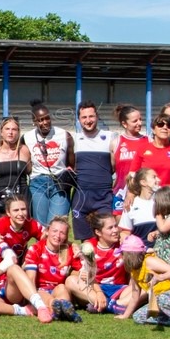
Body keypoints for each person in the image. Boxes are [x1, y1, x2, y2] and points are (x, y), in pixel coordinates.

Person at [23, 101, 75, 226]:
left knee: (57, 225)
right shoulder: (26, 137)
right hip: (37, 184)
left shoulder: (64, 135)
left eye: (47, 118)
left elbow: (72, 163)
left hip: (60, 184)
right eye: (40, 120)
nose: (45, 122)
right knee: (40, 227)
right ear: (34, 122)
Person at [25, 214, 83, 322]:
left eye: (62, 233)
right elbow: (31, 279)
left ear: (66, 236)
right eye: (55, 231)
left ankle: (59, 309)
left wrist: (72, 276)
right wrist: (32, 299)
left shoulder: (69, 250)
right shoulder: (36, 249)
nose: (58, 235)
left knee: (62, 288)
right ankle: (59, 308)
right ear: (47, 231)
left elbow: (79, 271)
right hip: (40, 290)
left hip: (57, 288)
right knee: (43, 294)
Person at [71, 101, 114, 239]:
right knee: (85, 240)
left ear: (97, 117)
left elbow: (114, 166)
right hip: (81, 194)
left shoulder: (110, 137)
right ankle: (87, 260)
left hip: (103, 194)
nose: (88, 121)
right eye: (84, 117)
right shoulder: (75, 139)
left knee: (106, 234)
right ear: (79, 119)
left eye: (91, 116)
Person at [0, 116, 30, 217]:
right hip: (2, 199)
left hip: (22, 196)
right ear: (1, 132)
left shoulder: (24, 150)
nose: (10, 132)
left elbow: (30, 171)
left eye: (14, 129)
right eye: (7, 129)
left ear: (18, 132)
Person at [109, 105, 148, 213]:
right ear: (124, 124)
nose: (139, 123)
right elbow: (112, 169)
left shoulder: (148, 142)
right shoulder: (116, 143)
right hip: (120, 192)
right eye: (135, 121)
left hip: (142, 193)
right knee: (120, 228)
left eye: (140, 119)